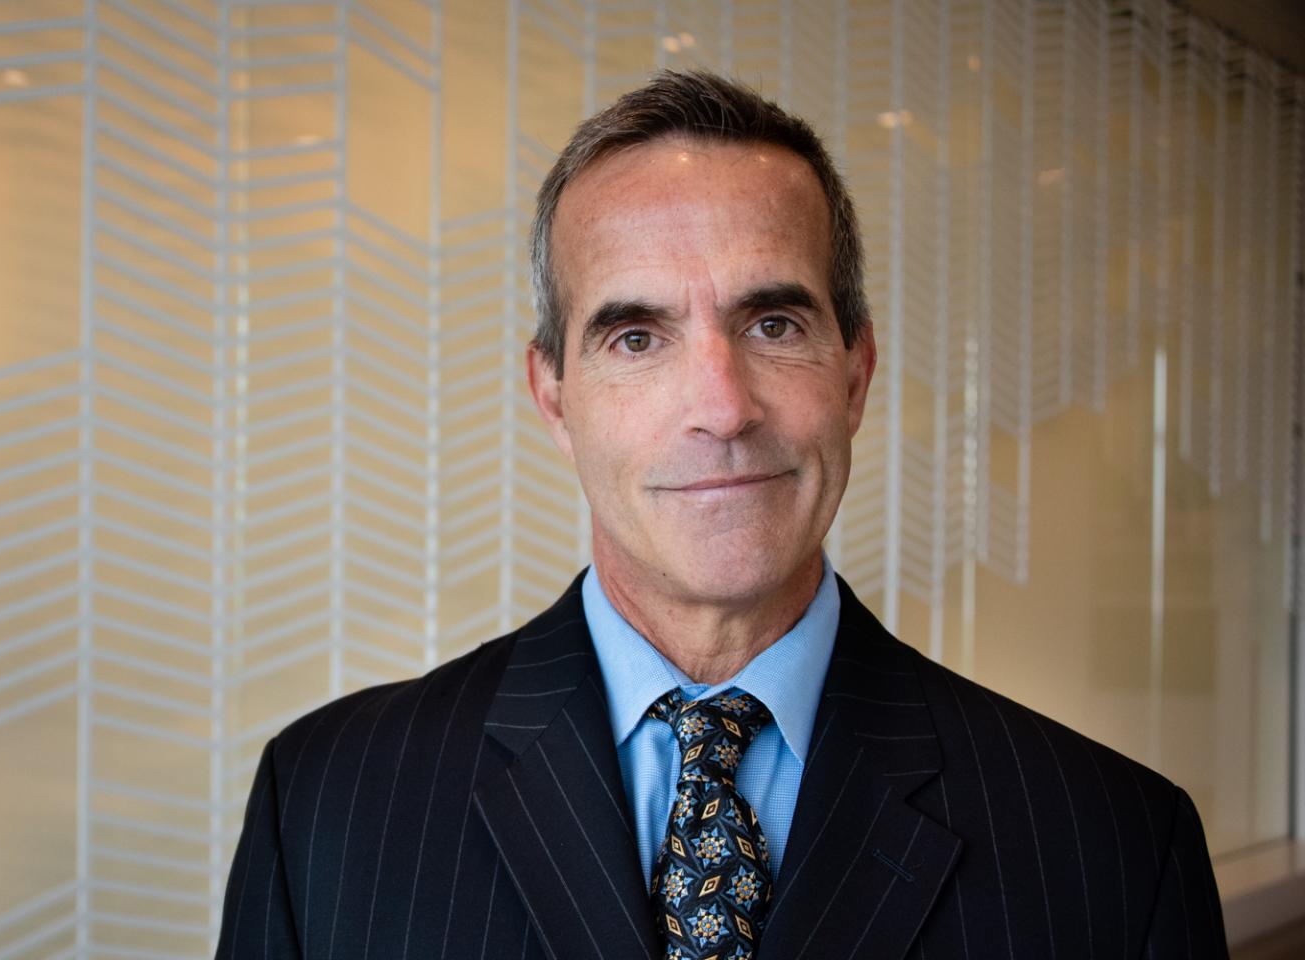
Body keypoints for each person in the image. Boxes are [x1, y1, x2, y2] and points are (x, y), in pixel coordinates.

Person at [215, 70, 1227, 960]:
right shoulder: (327, 804)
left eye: (773, 324)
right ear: (554, 398)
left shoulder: (1116, 847)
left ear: (856, 375)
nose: (724, 408)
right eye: (636, 337)